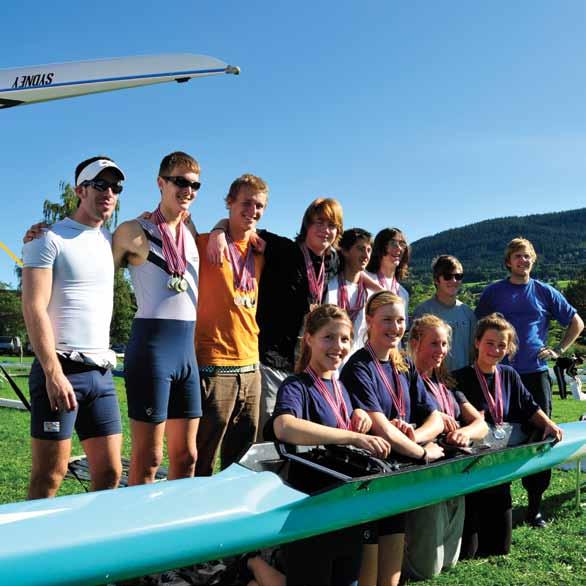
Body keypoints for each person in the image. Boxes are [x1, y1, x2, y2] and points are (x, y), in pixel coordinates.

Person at [22, 156, 125, 498]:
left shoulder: (110, 240)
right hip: (61, 371)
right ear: (80, 190)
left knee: (110, 474)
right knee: (50, 475)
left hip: (101, 375)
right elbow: (33, 306)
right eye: (100, 185)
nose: (109, 193)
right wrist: (52, 373)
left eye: (115, 187)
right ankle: (29, 549)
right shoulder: (47, 238)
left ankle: (92, 549)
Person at [269, 304, 391, 586]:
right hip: (312, 514)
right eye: (329, 338)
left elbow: (341, 422)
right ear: (309, 339)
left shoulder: (341, 388)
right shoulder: (296, 385)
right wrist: (350, 436)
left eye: (345, 339)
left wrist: (357, 417)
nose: (338, 346)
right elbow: (284, 427)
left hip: (347, 511)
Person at [208, 198, 344, 440]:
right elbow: (240, 227)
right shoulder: (284, 249)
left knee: (294, 437)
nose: (325, 230)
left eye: (332, 225)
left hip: (302, 365)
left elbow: (361, 256)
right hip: (270, 360)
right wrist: (218, 232)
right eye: (319, 222)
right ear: (306, 225)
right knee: (267, 436)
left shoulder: (331, 260)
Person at [476, 237, 583, 526]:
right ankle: (502, 507)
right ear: (508, 261)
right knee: (499, 437)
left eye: (528, 257)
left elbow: (577, 322)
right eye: (518, 257)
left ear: (533, 261)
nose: (523, 261)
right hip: (501, 375)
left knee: (542, 437)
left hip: (536, 374)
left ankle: (535, 507)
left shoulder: (545, 292)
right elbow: (480, 329)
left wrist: (558, 350)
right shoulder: (493, 293)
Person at [340, 291, 444, 586]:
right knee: (369, 574)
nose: (395, 327)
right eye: (387, 319)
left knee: (392, 566)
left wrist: (414, 435)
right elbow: (381, 427)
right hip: (372, 476)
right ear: (369, 320)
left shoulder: (404, 363)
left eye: (400, 320)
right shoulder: (359, 366)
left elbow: (435, 417)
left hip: (400, 470)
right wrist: (422, 453)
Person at [112, 151, 202, 485]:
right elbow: (91, 262)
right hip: (152, 349)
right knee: (149, 459)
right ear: (161, 183)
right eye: (180, 182)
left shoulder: (192, 232)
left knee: (187, 457)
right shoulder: (133, 231)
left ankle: (172, 532)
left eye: (195, 184)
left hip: (185, 352)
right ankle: (134, 530)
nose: (188, 190)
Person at [453, 313, 563, 558]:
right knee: (469, 552)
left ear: (509, 348)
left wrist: (549, 424)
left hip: (501, 467)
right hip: (472, 468)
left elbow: (529, 406)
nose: (495, 349)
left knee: (500, 548)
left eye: (502, 345)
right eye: (490, 343)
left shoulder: (509, 374)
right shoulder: (459, 377)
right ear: (477, 342)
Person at [403, 314, 488, 580]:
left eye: (444, 344)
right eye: (434, 344)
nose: (441, 351)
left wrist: (464, 433)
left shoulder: (446, 384)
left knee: (448, 563)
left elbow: (480, 423)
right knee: (426, 569)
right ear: (415, 343)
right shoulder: (405, 380)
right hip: (425, 474)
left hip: (453, 473)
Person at [194, 174, 268, 475]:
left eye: (260, 205)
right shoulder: (204, 244)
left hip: (251, 369)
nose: (253, 210)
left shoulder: (261, 250)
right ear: (229, 203)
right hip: (214, 366)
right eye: (246, 202)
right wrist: (218, 230)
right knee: (201, 459)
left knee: (241, 463)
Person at [412, 255, 476, 372]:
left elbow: (472, 351)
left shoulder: (468, 312)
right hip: (432, 379)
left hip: (464, 378)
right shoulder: (423, 312)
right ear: (436, 280)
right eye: (448, 276)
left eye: (458, 276)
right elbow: (415, 350)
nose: (454, 281)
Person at [325, 228, 379, 363]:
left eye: (369, 250)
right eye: (360, 249)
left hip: (357, 364)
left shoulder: (370, 293)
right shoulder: (329, 286)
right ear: (344, 251)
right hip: (329, 361)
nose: (366, 255)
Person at [365, 228, 410, 321]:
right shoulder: (364, 279)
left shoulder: (403, 293)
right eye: (393, 243)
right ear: (380, 246)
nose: (399, 248)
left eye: (402, 244)